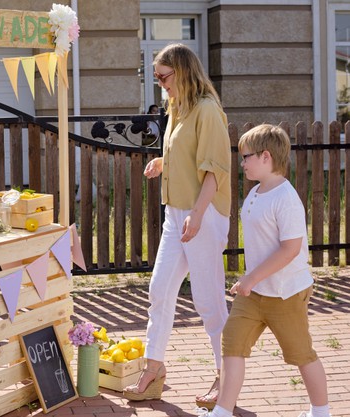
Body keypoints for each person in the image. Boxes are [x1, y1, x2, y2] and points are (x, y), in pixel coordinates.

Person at [123, 43, 231, 408]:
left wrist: (198, 215)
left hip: (204, 214)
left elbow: (215, 169)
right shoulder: (177, 109)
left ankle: (225, 376)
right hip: (177, 214)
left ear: (183, 71)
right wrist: (162, 164)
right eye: (156, 78)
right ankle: (154, 367)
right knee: (159, 289)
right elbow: (184, 156)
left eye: (164, 76)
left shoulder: (207, 110)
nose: (160, 84)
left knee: (208, 298)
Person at [199, 124, 331, 417]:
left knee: (301, 355)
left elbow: (290, 249)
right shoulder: (257, 193)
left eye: (246, 156)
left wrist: (250, 278)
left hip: (286, 293)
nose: (242, 162)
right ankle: (222, 411)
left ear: (266, 156)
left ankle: (321, 412)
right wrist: (251, 282)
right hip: (253, 293)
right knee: (232, 344)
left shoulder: (286, 199)